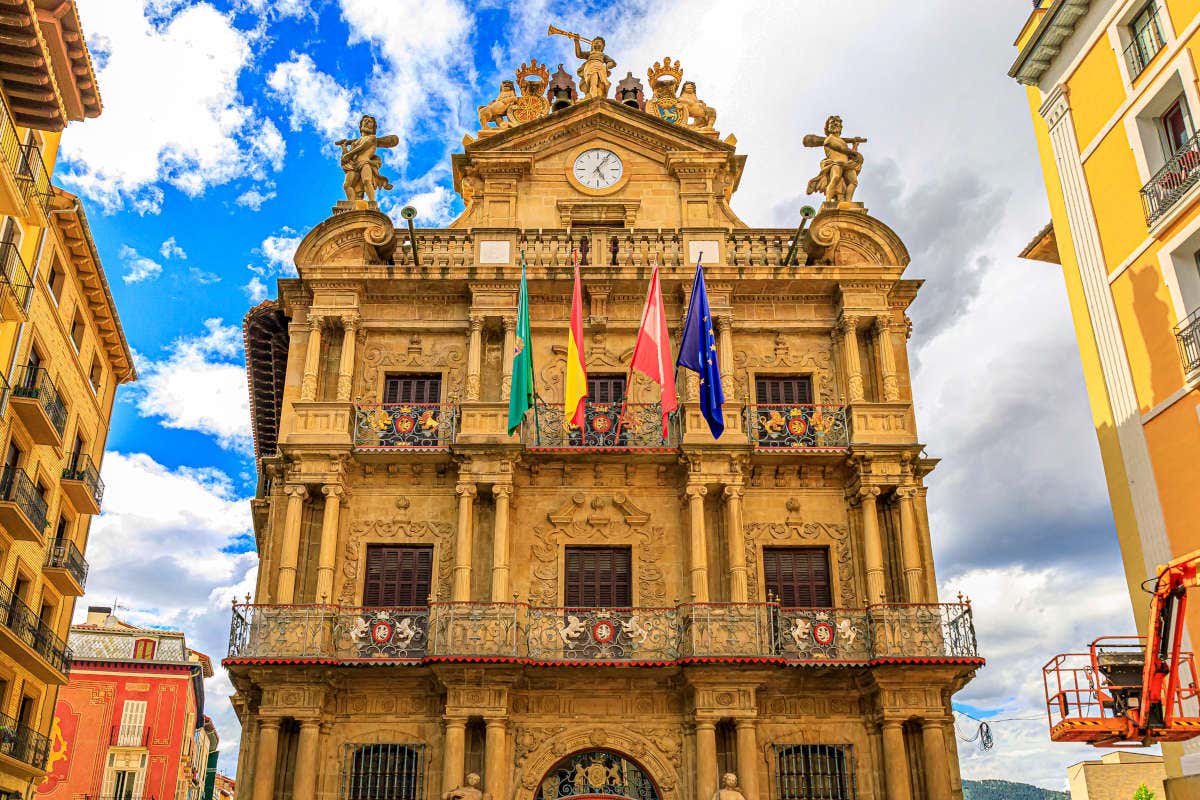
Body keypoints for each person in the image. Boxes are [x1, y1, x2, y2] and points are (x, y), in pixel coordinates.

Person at [336, 114, 400, 204]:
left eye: (369, 121)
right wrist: (344, 147)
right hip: (354, 165)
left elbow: (363, 146)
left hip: (365, 162)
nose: (366, 122)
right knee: (347, 185)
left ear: (373, 127)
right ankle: (352, 205)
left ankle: (372, 203)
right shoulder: (355, 142)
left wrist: (349, 154)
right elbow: (346, 157)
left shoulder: (372, 138)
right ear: (361, 125)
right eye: (364, 121)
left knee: (366, 181)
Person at [804, 115, 866, 205]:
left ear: (841, 128)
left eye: (838, 123)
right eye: (832, 122)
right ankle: (828, 201)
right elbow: (842, 149)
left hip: (847, 164)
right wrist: (855, 154)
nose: (836, 124)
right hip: (835, 163)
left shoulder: (843, 141)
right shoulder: (828, 140)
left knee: (853, 182)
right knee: (835, 178)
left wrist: (855, 145)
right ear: (828, 128)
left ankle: (848, 202)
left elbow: (851, 155)